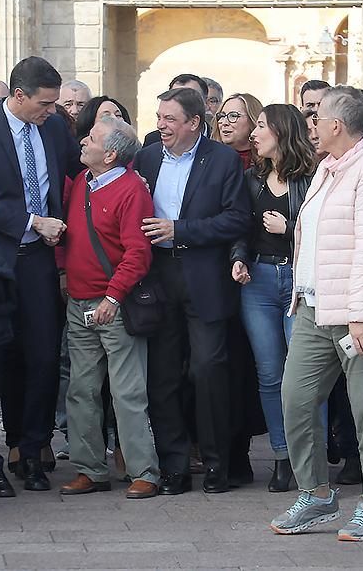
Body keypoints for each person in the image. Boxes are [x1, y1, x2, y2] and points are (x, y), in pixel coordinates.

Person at [270, 86, 363, 542]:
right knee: (294, 399)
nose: (309, 125)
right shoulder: (327, 169)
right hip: (314, 308)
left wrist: (360, 315)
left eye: (316, 118)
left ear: (335, 125)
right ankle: (316, 495)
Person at [0, 56, 82, 497]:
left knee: (43, 358)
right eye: (44, 103)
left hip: (40, 263)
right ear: (19, 95)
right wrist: (32, 221)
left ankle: (32, 450)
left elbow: (77, 173)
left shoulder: (54, 128)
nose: (52, 110)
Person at [132, 86, 249, 494]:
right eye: (159, 117)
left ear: (194, 123)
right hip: (158, 278)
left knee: (207, 370)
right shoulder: (145, 158)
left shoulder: (222, 160)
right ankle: (174, 466)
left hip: (205, 278)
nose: (160, 126)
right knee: (163, 377)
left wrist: (180, 230)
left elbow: (236, 219)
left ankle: (218, 464)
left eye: (169, 119)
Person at [59, 115, 161, 499]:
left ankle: (144, 472)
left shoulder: (132, 190)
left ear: (112, 153)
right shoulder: (82, 182)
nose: (83, 140)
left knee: (127, 391)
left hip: (113, 305)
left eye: (93, 138)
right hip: (80, 301)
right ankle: (90, 469)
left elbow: (138, 252)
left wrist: (113, 296)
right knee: (81, 389)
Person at [230, 103, 317, 492]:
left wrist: (290, 226)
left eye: (262, 126)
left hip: (299, 281)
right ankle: (282, 457)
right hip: (259, 280)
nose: (254, 133)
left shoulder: (314, 176)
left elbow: (321, 229)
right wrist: (238, 259)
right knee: (269, 374)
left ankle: (308, 459)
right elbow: (240, 228)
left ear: (282, 131)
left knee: (304, 376)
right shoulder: (251, 179)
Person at [142, 75, 211, 146]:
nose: (180, 103)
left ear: (206, 103)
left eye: (189, 97)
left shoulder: (220, 138)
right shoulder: (152, 141)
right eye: (174, 97)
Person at [216, 93, 262, 170]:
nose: (224, 123)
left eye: (233, 116)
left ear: (252, 119)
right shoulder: (209, 159)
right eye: (222, 116)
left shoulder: (269, 162)